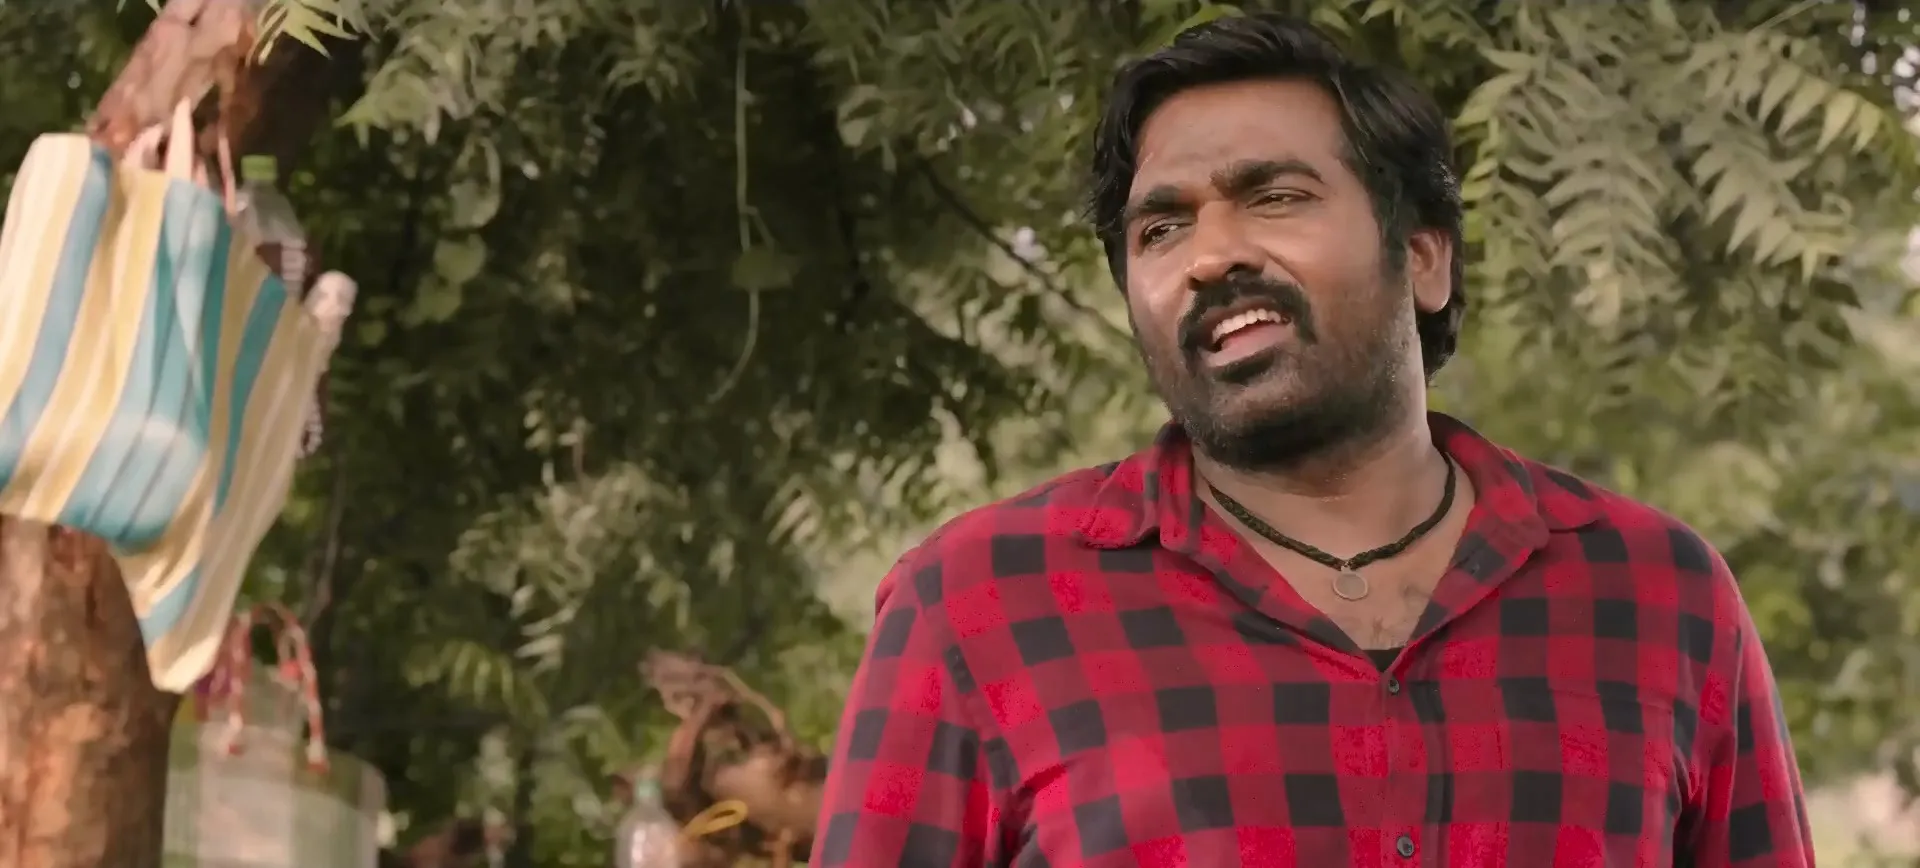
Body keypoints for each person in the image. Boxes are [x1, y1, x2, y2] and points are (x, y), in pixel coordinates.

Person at [809, 12, 1813, 867]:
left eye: (1275, 196)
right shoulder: (978, 604)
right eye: (1161, 229)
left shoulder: (1658, 594)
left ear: (1423, 257)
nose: (1210, 256)